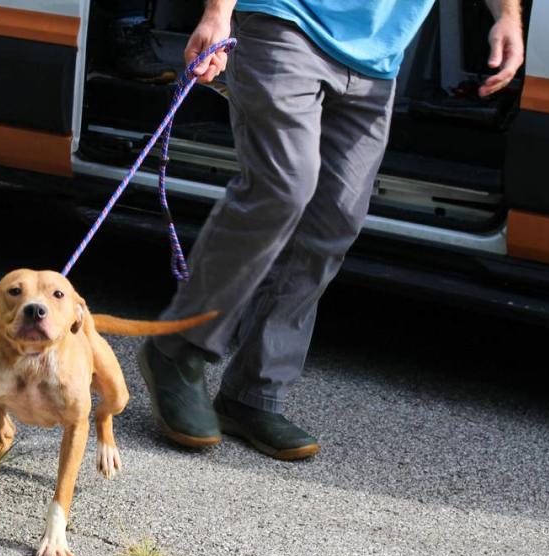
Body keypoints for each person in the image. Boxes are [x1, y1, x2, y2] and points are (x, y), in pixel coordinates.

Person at [138, 0, 524, 460]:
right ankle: (177, 350)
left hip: (376, 58)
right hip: (284, 23)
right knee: (282, 188)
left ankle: (252, 395)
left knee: (334, 220)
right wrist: (218, 12)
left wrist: (506, 17)